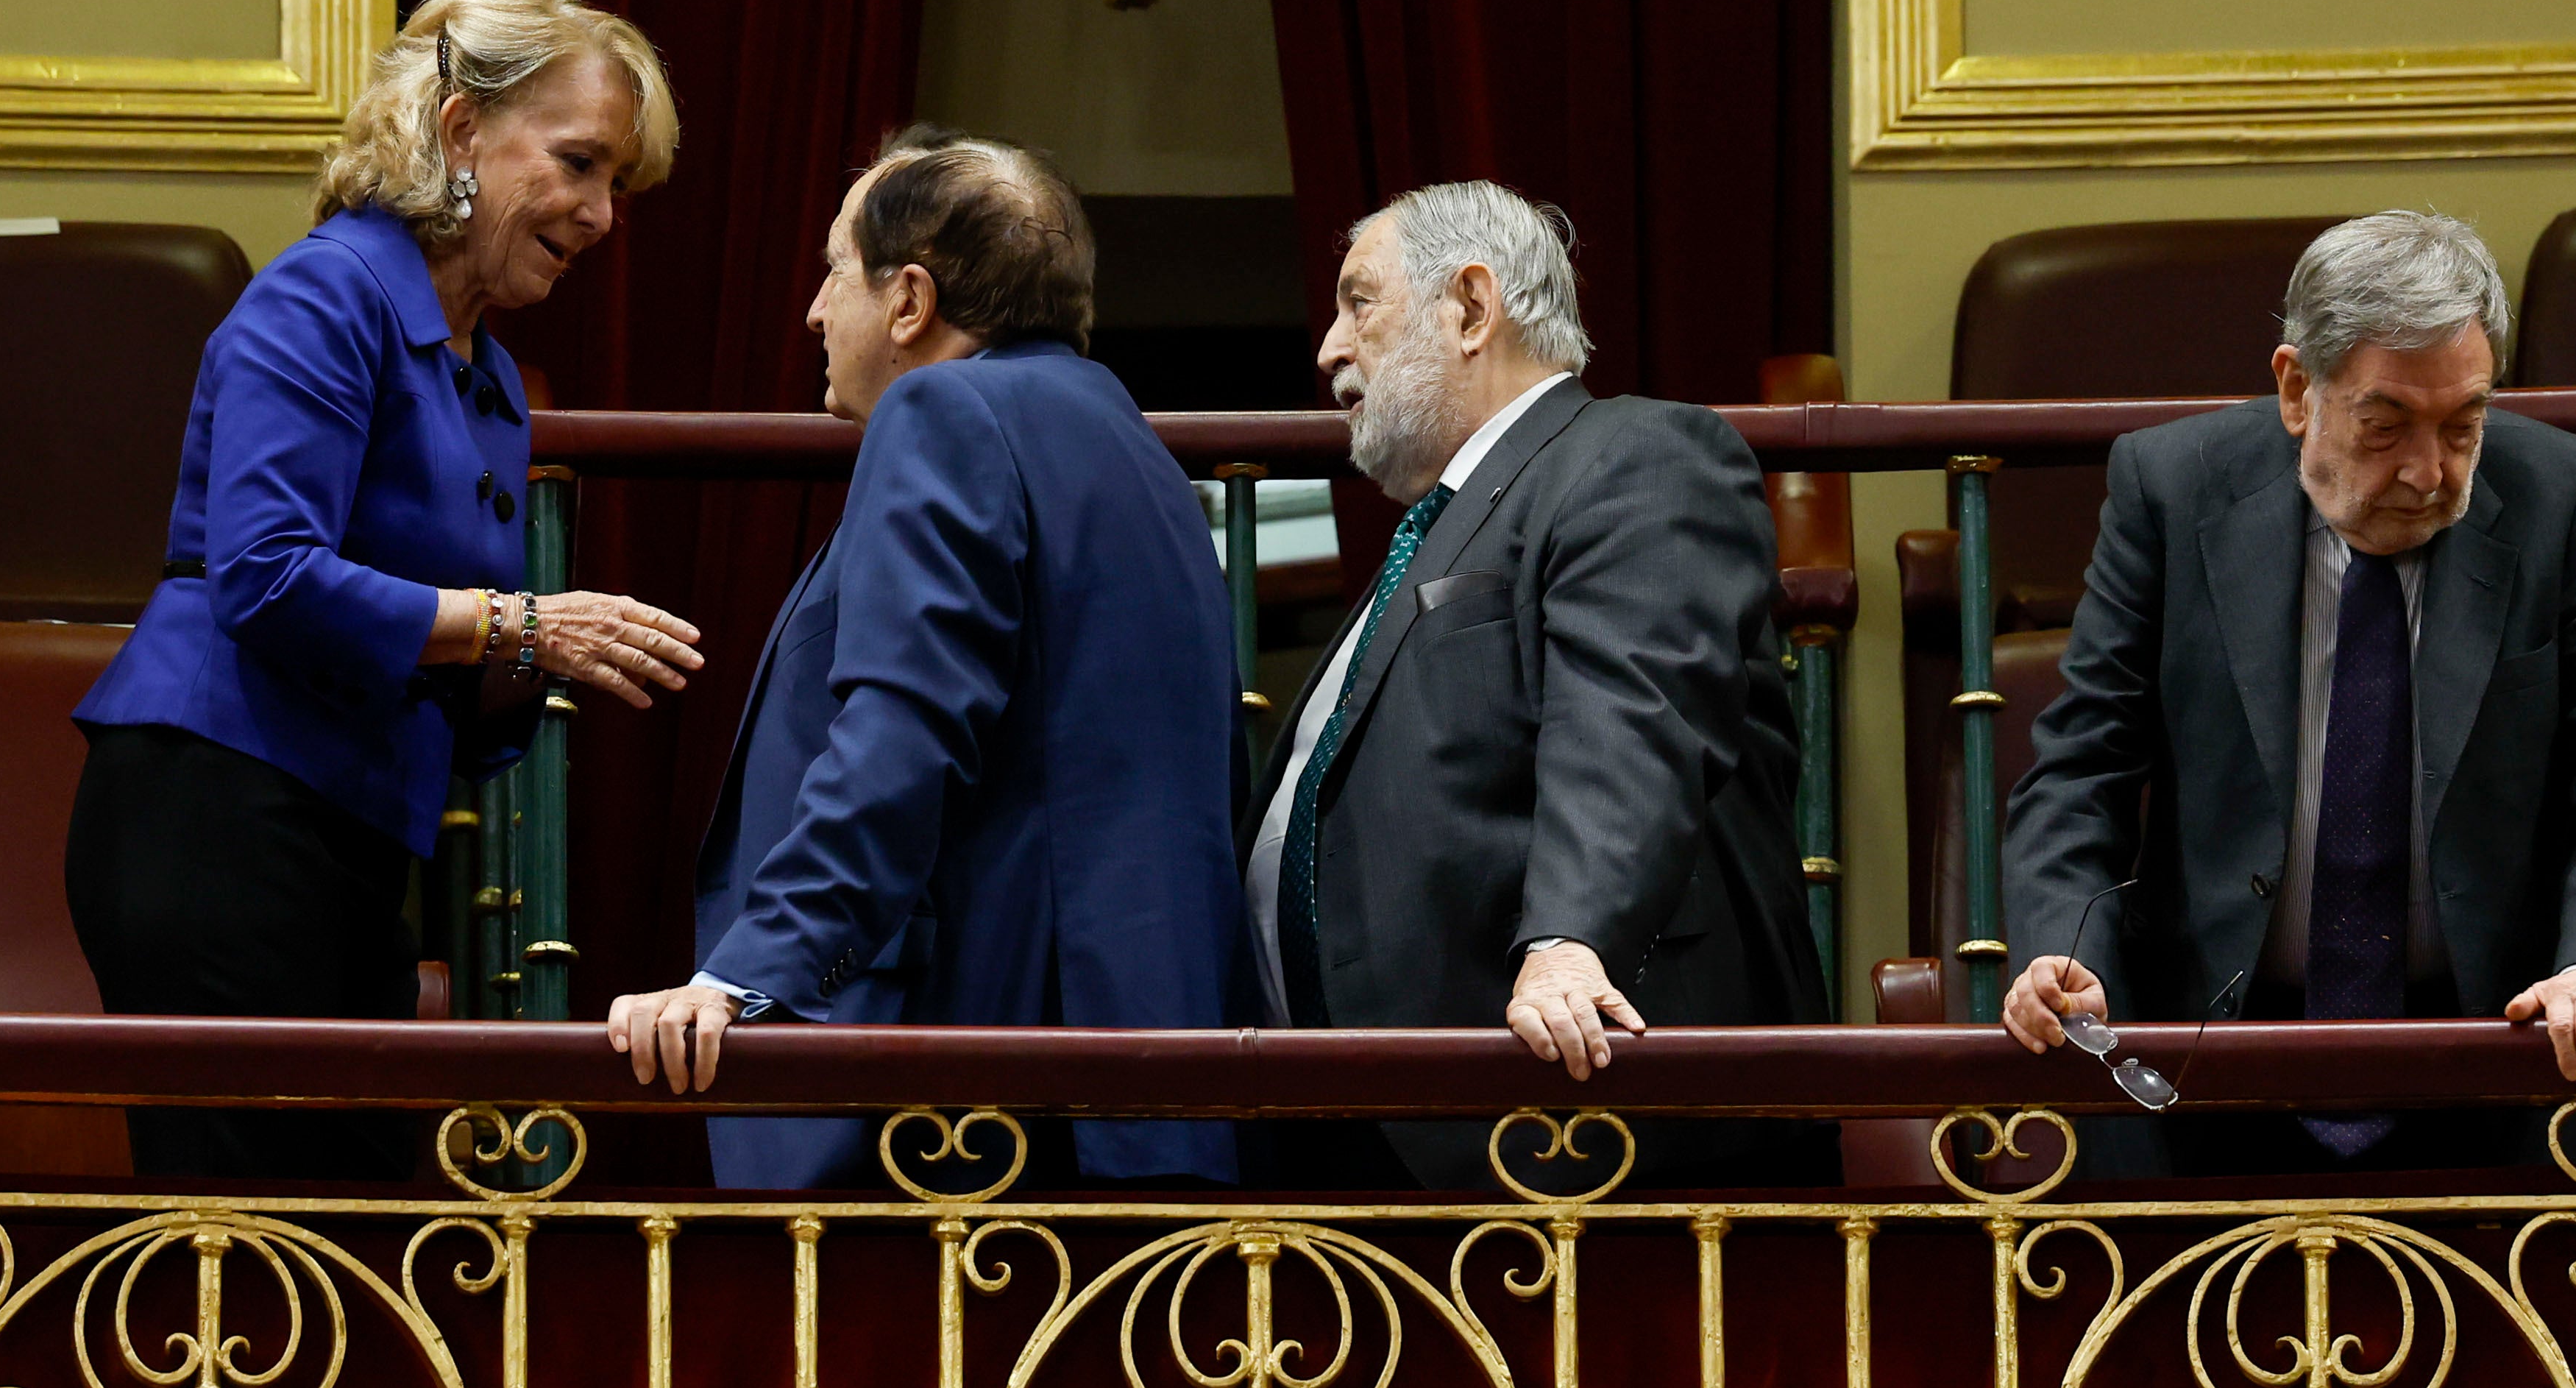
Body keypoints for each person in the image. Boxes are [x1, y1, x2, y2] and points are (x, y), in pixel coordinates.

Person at [68, 0, 706, 1181]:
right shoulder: (325, 293)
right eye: (578, 164)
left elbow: (459, 658)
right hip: (217, 814)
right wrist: (523, 624)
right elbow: (266, 575)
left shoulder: (489, 378)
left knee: (353, 1233)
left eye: (616, 184)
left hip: (352, 840)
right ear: (461, 130)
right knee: (251, 1235)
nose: (601, 215)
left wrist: (541, 658)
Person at [605, 127, 1246, 1191]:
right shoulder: (1128, 439)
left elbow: (903, 731)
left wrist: (752, 973)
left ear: (909, 300)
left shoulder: (944, 411)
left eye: (833, 271)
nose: (815, 312)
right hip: (1141, 1077)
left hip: (967, 1108)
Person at [2000, 210, 2576, 1175]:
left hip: (2493, 1046)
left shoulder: (2559, 492)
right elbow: (2081, 767)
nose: (2429, 471)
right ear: (2297, 390)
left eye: (2463, 426)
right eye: (2384, 427)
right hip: (2204, 1052)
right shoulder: (2172, 486)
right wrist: (2060, 951)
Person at [1246, 180, 1826, 1192]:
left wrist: (1570, 939)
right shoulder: (1444, 521)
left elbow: (1633, 719)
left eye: (1359, 303)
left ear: (1472, 307)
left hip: (1577, 1120)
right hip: (1400, 1130)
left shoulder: (1633, 455)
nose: (1330, 349)